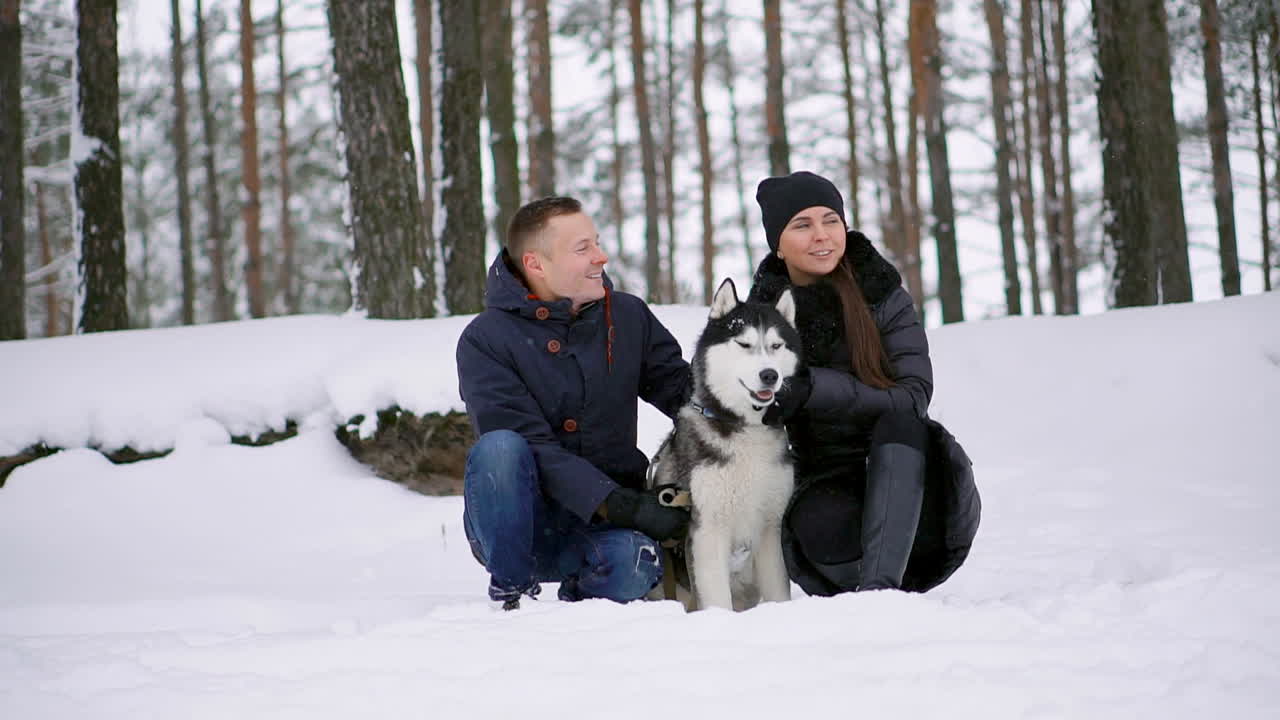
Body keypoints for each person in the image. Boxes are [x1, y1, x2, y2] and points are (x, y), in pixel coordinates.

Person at [747, 171, 980, 595]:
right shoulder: (760, 321)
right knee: (816, 520)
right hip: (830, 488)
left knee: (901, 421)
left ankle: (880, 595)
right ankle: (862, 586)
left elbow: (913, 398)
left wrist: (813, 388)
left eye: (831, 219)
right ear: (778, 246)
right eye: (802, 225)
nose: (822, 235)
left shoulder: (881, 294)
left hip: (918, 491)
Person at [456, 196, 693, 609]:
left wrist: (744, 399)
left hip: (599, 528)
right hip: (518, 524)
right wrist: (623, 505)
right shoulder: (486, 339)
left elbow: (682, 392)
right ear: (535, 264)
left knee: (635, 565)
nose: (601, 257)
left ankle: (578, 605)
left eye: (597, 243)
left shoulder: (627, 316)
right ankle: (510, 593)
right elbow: (530, 445)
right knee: (500, 448)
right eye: (583, 248)